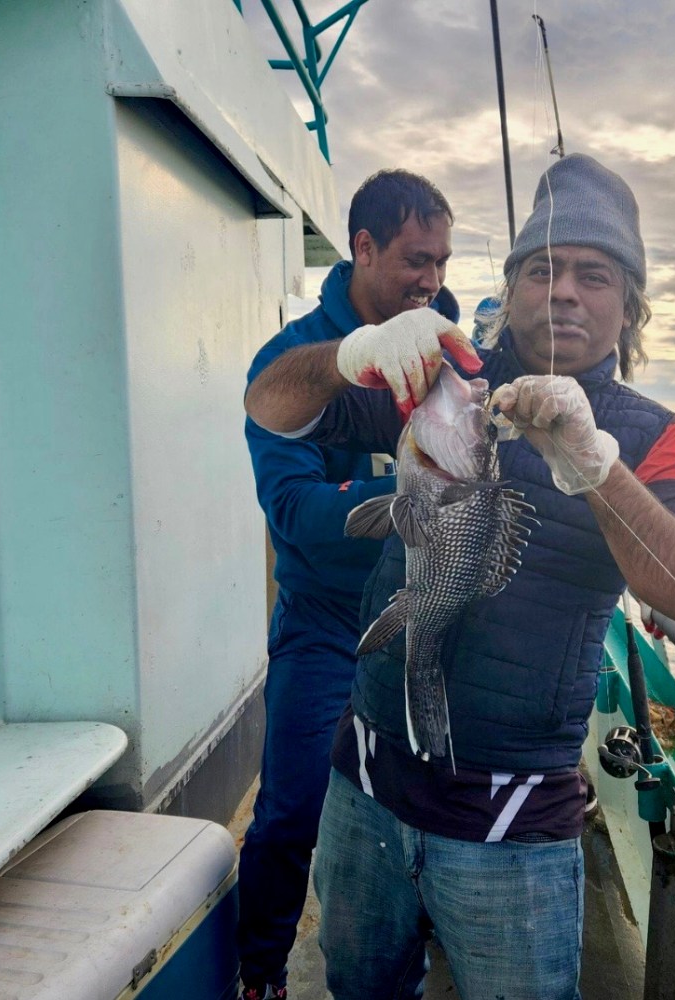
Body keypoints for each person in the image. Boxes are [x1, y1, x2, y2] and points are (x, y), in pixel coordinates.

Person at [244, 152, 675, 1000]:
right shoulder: (445, 378)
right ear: (512, 286)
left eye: (595, 275)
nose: (565, 291)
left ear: (629, 304)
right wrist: (350, 351)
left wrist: (595, 463)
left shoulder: (651, 434)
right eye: (542, 269)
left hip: (511, 829)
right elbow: (268, 405)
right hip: (364, 784)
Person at [238, 169, 458, 1000]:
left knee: (430, 808)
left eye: (440, 260)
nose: (430, 279)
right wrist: (418, 498)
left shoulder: (449, 351)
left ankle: (424, 949)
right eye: (413, 259)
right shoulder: (289, 365)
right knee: (292, 812)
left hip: (429, 621)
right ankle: (260, 976)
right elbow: (293, 511)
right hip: (326, 623)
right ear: (361, 249)